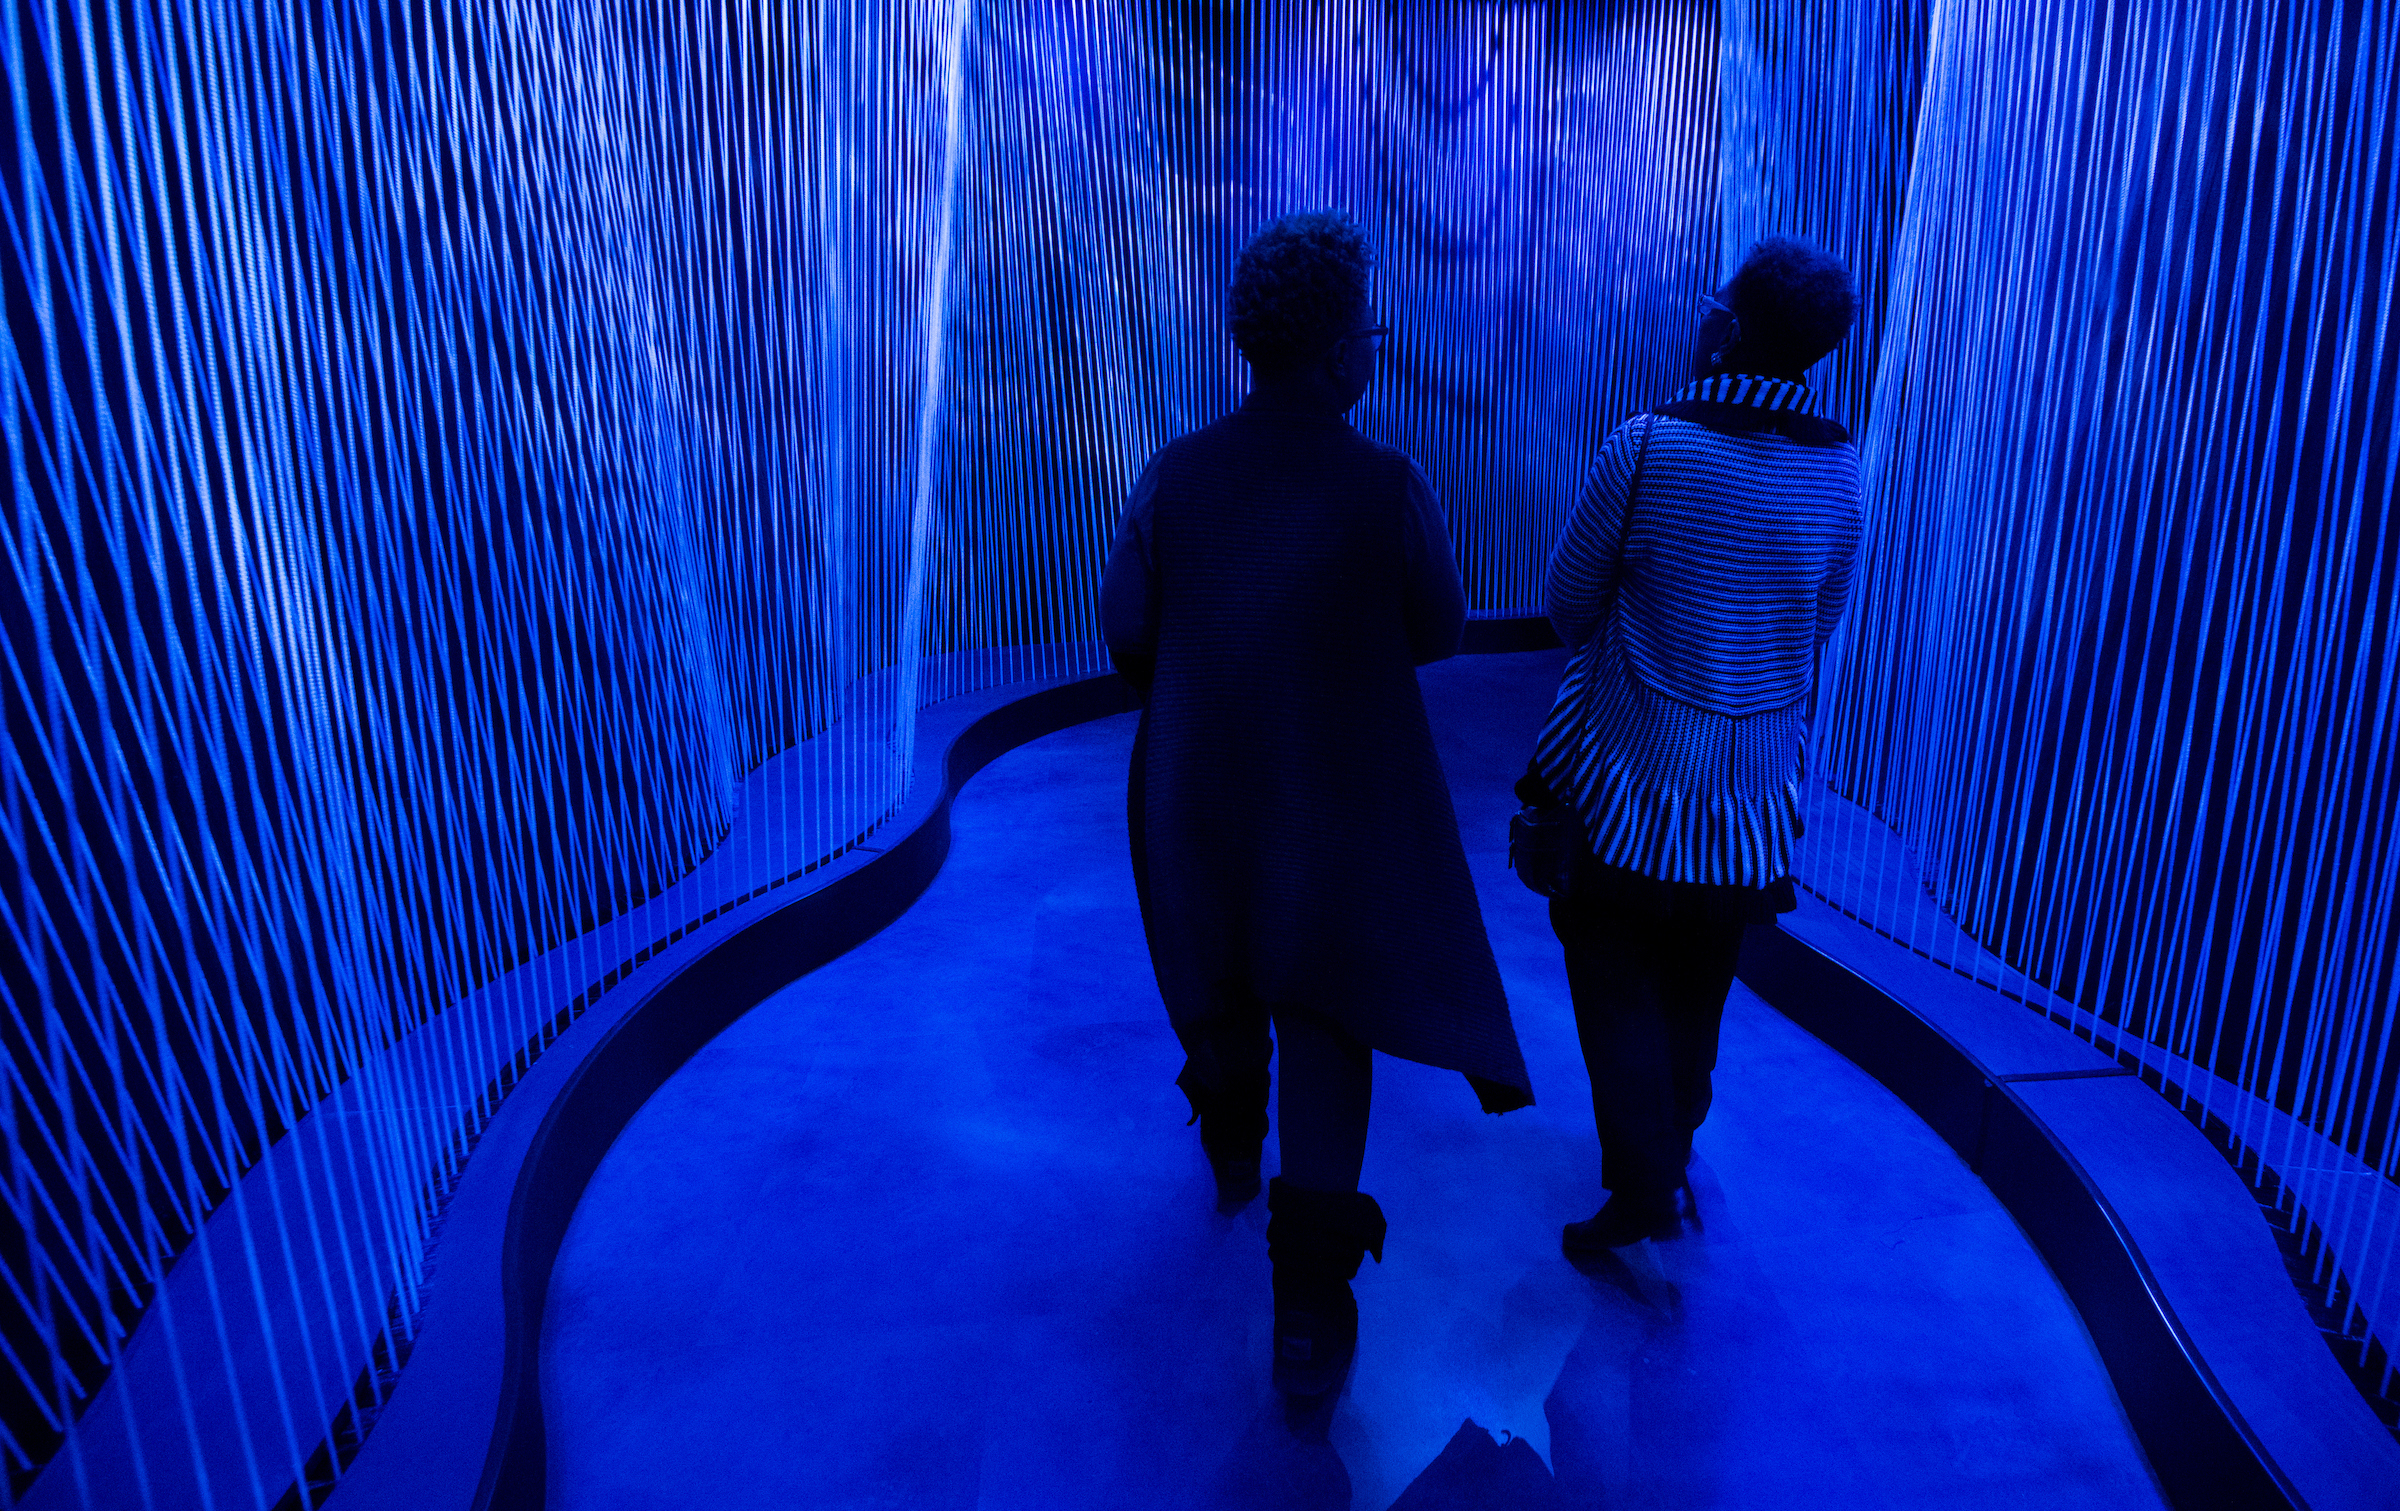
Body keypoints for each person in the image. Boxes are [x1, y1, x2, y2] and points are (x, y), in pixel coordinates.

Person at [1100, 209, 1533, 1399]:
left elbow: (1126, 627)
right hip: (1335, 792)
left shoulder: (1173, 473)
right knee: (1327, 1017)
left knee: (1218, 972)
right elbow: (1440, 631)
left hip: (1191, 778)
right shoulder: (1384, 483)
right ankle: (1305, 1309)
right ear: (1346, 353)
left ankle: (1231, 1137)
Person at [1529, 235, 1866, 1251]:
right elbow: (1820, 622)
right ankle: (1670, 1143)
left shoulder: (1649, 445)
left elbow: (1566, 601)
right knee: (1699, 971)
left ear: (1730, 324)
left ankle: (1642, 1183)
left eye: (1717, 301)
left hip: (1627, 778)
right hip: (1749, 798)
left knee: (1609, 964)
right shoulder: (1842, 466)